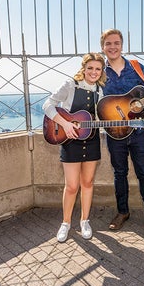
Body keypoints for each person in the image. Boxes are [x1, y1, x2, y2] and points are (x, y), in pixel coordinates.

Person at [100, 28, 144, 237]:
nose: (113, 47)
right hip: (114, 132)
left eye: (116, 43)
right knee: (119, 173)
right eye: (108, 44)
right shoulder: (99, 72)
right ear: (103, 47)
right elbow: (93, 99)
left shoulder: (137, 67)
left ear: (122, 45)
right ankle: (122, 212)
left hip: (138, 131)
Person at [42, 52, 107, 242]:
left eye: (98, 69)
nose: (94, 72)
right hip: (70, 141)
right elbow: (48, 104)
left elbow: (98, 118)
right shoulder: (70, 84)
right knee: (71, 186)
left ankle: (85, 221)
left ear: (101, 71)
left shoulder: (100, 91)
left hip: (92, 139)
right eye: (90, 68)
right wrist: (64, 123)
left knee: (87, 183)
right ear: (84, 68)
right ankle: (66, 223)